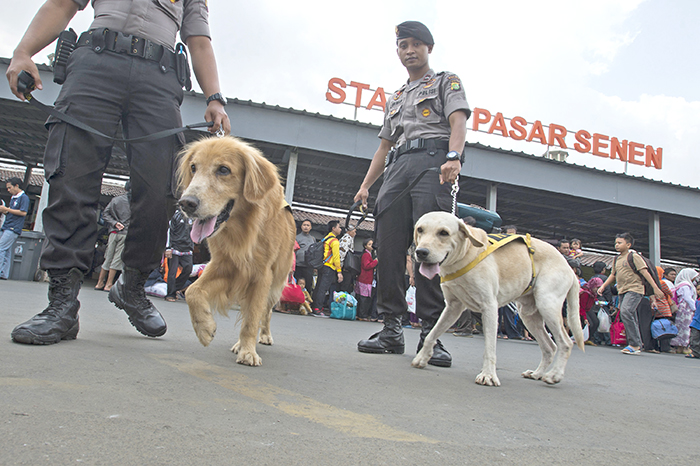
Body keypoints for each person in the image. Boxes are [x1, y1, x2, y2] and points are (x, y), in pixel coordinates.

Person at [8, 0, 230, 345]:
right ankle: (62, 305)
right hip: (96, 63)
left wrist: (215, 97)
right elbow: (63, 4)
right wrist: (24, 52)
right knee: (72, 179)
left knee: (163, 188)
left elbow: (199, 39)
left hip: (159, 77)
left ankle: (133, 285)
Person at [354, 21, 470, 367]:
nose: (409, 50)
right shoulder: (397, 97)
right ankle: (391, 329)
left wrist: (454, 156)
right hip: (397, 168)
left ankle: (431, 335)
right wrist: (365, 185)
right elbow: (384, 146)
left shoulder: (445, 81)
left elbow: (458, 120)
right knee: (389, 248)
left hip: (433, 162)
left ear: (428, 48)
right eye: (403, 45)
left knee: (430, 250)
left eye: (416, 44)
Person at [598, 233, 664, 355]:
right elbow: (613, 275)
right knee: (628, 314)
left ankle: (634, 344)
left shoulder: (634, 256)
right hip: (622, 290)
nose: (616, 245)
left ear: (628, 245)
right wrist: (603, 286)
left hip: (635, 289)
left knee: (626, 311)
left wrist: (655, 288)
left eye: (620, 243)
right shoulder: (616, 259)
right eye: (616, 243)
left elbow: (645, 273)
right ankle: (636, 344)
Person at [95, 181, 131, 291]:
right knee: (116, 259)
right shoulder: (137, 203)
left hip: (113, 232)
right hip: (125, 233)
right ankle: (109, 284)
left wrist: (115, 223)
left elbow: (105, 214)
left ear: (125, 188)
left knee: (108, 257)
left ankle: (99, 283)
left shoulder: (116, 200)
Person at [0, 177, 30, 279]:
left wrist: (7, 209)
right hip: (7, 225)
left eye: (10, 188)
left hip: (13, 228)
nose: (8, 190)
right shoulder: (14, 197)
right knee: (7, 251)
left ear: (16, 186)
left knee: (1, 248)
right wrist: (5, 211)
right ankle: (4, 273)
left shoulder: (24, 197)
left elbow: (23, 212)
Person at [310, 220, 342, 317]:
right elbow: (336, 257)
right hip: (329, 267)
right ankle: (318, 309)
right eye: (339, 227)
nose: (340, 229)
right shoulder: (335, 241)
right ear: (334, 228)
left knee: (318, 286)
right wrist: (339, 271)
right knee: (323, 289)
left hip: (322, 265)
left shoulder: (326, 238)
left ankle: (313, 306)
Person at [164, 208, 194, 302]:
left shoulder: (193, 217)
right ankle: (170, 294)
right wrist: (168, 247)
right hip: (174, 247)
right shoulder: (175, 215)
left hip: (187, 247)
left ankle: (175, 288)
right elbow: (168, 231)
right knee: (172, 272)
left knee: (188, 268)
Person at [669, 268, 699, 354]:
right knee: (686, 328)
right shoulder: (686, 286)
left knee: (680, 327)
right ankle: (684, 346)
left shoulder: (680, 285)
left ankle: (679, 347)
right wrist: (695, 308)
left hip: (681, 308)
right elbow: (688, 298)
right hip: (686, 309)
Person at [355, 238, 378, 321]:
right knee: (364, 298)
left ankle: (359, 314)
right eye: (369, 244)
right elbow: (366, 266)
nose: (371, 246)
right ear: (365, 246)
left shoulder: (369, 254)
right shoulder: (366, 255)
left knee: (361, 297)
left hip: (365, 278)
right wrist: (375, 262)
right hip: (365, 279)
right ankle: (362, 315)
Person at [294, 219, 316, 294]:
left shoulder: (313, 239)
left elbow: (314, 252)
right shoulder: (297, 237)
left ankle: (306, 302)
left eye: (308, 225)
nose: (306, 227)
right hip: (298, 265)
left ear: (310, 227)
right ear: (301, 226)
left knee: (308, 285)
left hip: (308, 266)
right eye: (304, 225)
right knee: (296, 285)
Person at [337, 225, 357, 292]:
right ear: (349, 231)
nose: (355, 233)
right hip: (345, 267)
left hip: (345, 266)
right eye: (354, 232)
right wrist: (341, 266)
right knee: (343, 287)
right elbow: (342, 253)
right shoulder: (347, 238)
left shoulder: (348, 238)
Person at [687, 283, 700, 359]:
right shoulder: (697, 300)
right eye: (698, 289)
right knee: (694, 338)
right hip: (696, 322)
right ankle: (695, 352)